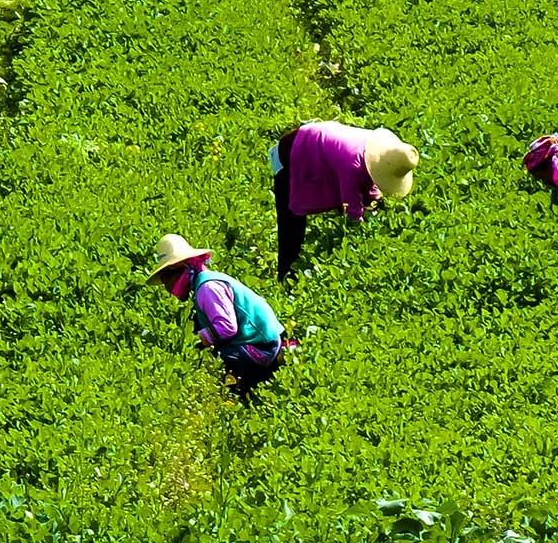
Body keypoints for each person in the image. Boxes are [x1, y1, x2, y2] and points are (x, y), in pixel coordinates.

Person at [147, 234, 291, 399]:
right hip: (256, 341)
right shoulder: (203, 284)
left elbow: (227, 327)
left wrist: (197, 342)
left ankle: (236, 396)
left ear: (180, 268)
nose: (166, 286)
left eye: (166, 278)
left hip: (263, 346)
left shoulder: (208, 288)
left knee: (214, 360)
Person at [269, 121, 419, 280]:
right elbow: (352, 210)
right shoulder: (352, 165)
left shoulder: (373, 151)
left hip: (320, 143)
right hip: (293, 150)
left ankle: (291, 271)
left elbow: (369, 178)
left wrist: (375, 201)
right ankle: (285, 275)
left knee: (358, 198)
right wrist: (359, 233)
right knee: (292, 223)